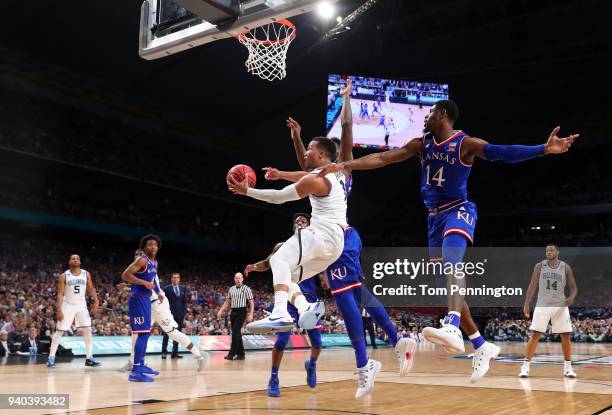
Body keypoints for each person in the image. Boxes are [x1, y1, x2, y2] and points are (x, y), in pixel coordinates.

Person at [318, 99, 579, 383]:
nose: (426, 117)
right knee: (448, 283)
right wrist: (345, 164)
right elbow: (383, 158)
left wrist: (543, 148)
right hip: (434, 218)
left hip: (458, 209)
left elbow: (502, 152)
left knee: (452, 265)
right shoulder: (422, 144)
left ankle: (453, 326)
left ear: (442, 114)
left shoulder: (465, 143)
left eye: (430, 112)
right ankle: (480, 346)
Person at [270, 79, 415, 399]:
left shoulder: (344, 168)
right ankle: (396, 341)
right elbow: (303, 166)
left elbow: (348, 130)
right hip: (337, 240)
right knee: (354, 294)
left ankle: (367, 363)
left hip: (343, 237)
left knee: (347, 297)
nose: (309, 155)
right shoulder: (322, 174)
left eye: (312, 149)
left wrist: (348, 99)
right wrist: (295, 138)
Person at [227, 135, 345, 335]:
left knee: (278, 258)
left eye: (309, 148)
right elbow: (303, 175)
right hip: (335, 245)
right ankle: (304, 307)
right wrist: (281, 174)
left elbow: (279, 197)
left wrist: (248, 192)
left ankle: (280, 312)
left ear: (322, 154)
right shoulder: (337, 174)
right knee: (286, 276)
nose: (306, 152)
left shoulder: (317, 179)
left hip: (322, 233)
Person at [244, 213, 322, 397]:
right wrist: (254, 266)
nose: (300, 223)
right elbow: (267, 262)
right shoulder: (283, 246)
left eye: (304, 221)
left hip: (309, 299)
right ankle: (273, 377)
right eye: (297, 222)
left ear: (309, 226)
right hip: (288, 298)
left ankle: (311, 365)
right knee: (281, 340)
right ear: (293, 227)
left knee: (318, 344)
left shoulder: (316, 247)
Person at [118, 252, 206, 373]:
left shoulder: (149, 269)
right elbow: (141, 286)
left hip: (158, 304)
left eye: (141, 256)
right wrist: (128, 287)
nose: (138, 258)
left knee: (172, 333)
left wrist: (130, 286)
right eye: (136, 256)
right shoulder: (137, 272)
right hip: (146, 305)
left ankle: (198, 355)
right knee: (137, 333)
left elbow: (151, 286)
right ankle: (133, 362)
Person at [520, 244, 578, 378]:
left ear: (558, 252)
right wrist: (526, 303)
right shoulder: (539, 266)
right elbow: (532, 285)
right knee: (535, 334)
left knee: (565, 335)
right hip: (543, 304)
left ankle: (568, 368)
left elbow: (573, 287)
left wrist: (571, 297)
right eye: (546, 250)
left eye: (551, 250)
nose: (548, 252)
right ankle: (525, 367)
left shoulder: (566, 267)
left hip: (560, 305)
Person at [121, 234, 163, 382]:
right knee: (143, 334)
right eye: (150, 244)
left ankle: (142, 365)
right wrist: (143, 283)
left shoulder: (154, 263)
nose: (153, 247)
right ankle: (136, 371)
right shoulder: (142, 260)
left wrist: (158, 292)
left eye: (155, 245)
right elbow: (125, 275)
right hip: (137, 300)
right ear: (145, 247)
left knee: (146, 333)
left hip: (146, 300)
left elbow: (153, 280)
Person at [47, 254, 101, 368]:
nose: (75, 260)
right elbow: (60, 294)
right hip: (68, 305)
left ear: (80, 262)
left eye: (77, 259)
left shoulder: (86, 274)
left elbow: (91, 288)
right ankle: (51, 358)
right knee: (60, 331)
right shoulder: (64, 276)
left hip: (81, 305)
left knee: (87, 330)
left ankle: (89, 358)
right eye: (73, 258)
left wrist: (96, 301)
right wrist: (59, 310)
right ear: (69, 262)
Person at [217, 273, 254, 360]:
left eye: (239, 278)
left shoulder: (246, 289)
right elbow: (227, 302)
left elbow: (251, 302)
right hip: (233, 311)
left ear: (242, 279)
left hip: (242, 311)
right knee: (237, 333)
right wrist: (220, 311)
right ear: (234, 279)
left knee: (235, 333)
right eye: (236, 278)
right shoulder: (231, 289)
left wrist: (251, 313)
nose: (238, 280)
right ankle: (241, 354)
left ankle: (232, 354)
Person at [162, 273, 188, 359]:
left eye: (177, 277)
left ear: (179, 279)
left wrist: (183, 313)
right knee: (166, 333)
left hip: (180, 315)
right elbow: (163, 302)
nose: (175, 279)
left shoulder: (183, 288)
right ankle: (164, 352)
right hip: (169, 315)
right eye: (174, 277)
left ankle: (175, 353)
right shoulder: (166, 289)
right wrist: (165, 313)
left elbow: (184, 302)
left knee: (177, 334)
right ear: (171, 279)